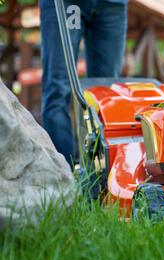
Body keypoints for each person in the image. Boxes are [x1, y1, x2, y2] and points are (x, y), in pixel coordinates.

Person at [40, 0, 128, 165]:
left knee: (107, 96)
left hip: (112, 4)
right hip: (66, 3)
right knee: (58, 88)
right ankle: (63, 176)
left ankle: (102, 176)